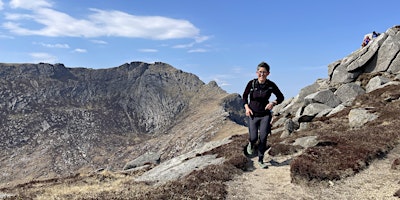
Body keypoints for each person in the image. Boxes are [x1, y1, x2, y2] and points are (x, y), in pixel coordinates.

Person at [242, 61, 284, 168]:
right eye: (260, 72)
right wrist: (247, 108)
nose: (262, 74)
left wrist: (273, 103)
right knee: (253, 137)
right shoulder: (252, 83)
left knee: (263, 137)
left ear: (268, 73)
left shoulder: (270, 85)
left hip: (265, 115)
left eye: (264, 72)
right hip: (253, 114)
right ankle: (251, 143)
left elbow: (281, 97)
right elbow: (244, 96)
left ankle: (261, 160)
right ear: (257, 73)